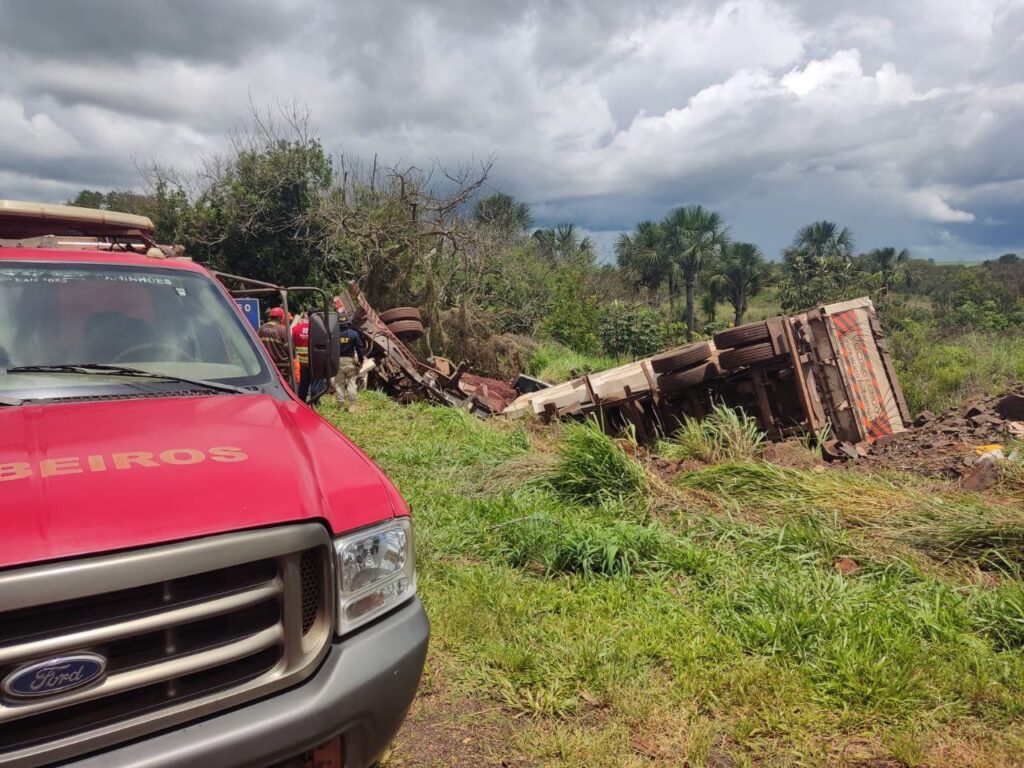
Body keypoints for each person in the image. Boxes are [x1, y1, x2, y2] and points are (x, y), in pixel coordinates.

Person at [333, 309, 365, 411]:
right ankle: (352, 406)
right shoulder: (353, 334)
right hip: (350, 361)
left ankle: (340, 406)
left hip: (337, 361)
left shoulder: (333, 334)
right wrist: (361, 360)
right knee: (352, 383)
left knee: (339, 384)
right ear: (347, 322)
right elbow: (360, 349)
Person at [257, 307, 291, 380]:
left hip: (267, 364)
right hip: (282, 365)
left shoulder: (262, 328)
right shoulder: (282, 329)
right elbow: (289, 348)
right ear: (280, 318)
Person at [291, 311, 311, 402]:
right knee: (315, 382)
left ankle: (302, 401)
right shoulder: (316, 328)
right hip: (315, 361)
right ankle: (314, 401)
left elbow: (292, 345)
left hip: (302, 362)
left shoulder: (295, 329)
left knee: (303, 383)